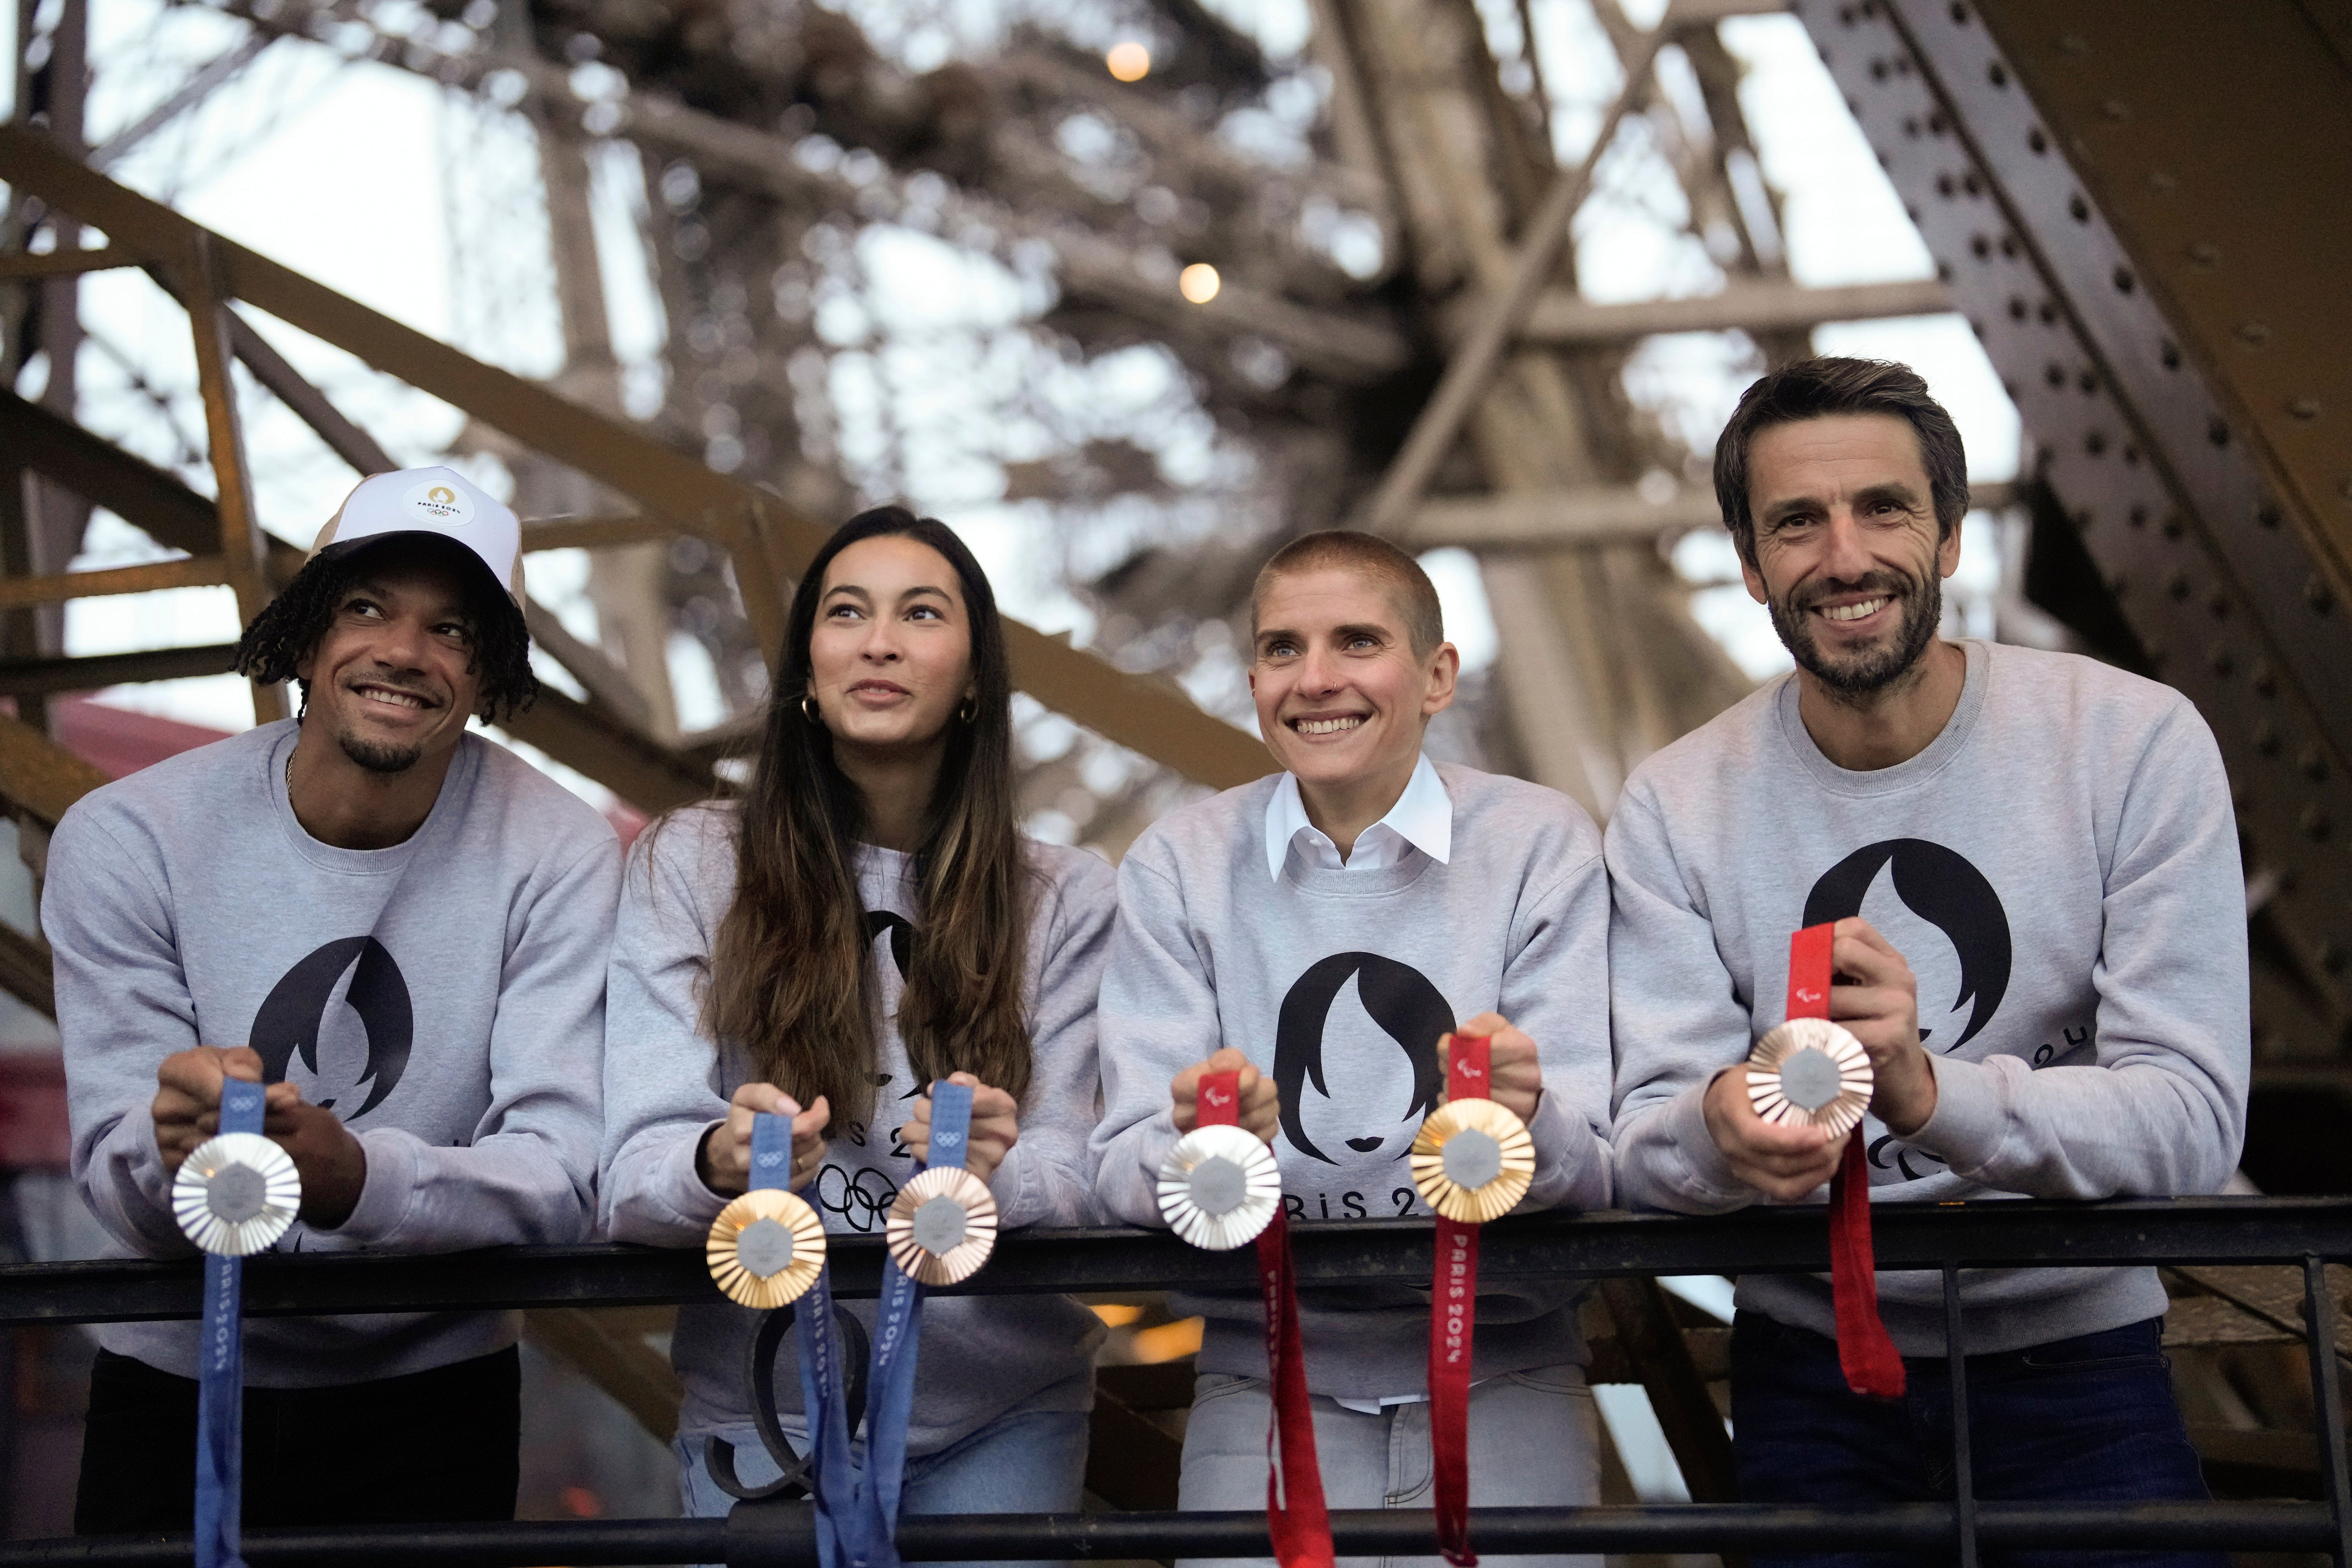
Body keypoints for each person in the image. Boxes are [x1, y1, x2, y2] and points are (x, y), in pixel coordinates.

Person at [1609, 357, 2245, 1566]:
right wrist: (1719, 1128)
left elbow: (2196, 1117)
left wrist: (1928, 1095)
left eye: (1884, 509)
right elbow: (1645, 1139)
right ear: (1751, 566)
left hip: (2085, 1363)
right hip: (1808, 1381)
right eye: (1797, 521)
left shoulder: (2132, 744)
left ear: (1950, 537)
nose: (1844, 556)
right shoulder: (1674, 808)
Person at [50, 466, 617, 1532]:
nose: (404, 652)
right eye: (366, 607)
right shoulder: (131, 838)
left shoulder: (559, 851)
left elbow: (561, 1172)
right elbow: (110, 1179)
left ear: (491, 680)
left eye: (453, 630)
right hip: (177, 1374)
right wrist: (167, 1150)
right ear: (305, 637)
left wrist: (353, 1177)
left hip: (435, 1393)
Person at [1092, 531, 1613, 1568]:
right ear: (1252, 683)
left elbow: (1599, 1162)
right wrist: (1196, 1154)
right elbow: (1115, 1170)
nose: (1316, 679)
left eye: (1356, 641)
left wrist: (1529, 1121)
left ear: (1436, 675)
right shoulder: (1179, 866)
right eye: (1284, 649)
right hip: (1259, 1380)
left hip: (1506, 1376)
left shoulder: (1541, 845)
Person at [601, 506, 1114, 1543]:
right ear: (806, 666)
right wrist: (716, 1158)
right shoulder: (690, 863)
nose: (879, 640)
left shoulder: (1066, 893)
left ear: (975, 676)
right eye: (846, 613)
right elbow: (626, 1175)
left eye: (921, 613)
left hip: (1002, 1414)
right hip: (765, 1414)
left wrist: (997, 1174)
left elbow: (1093, 1173)